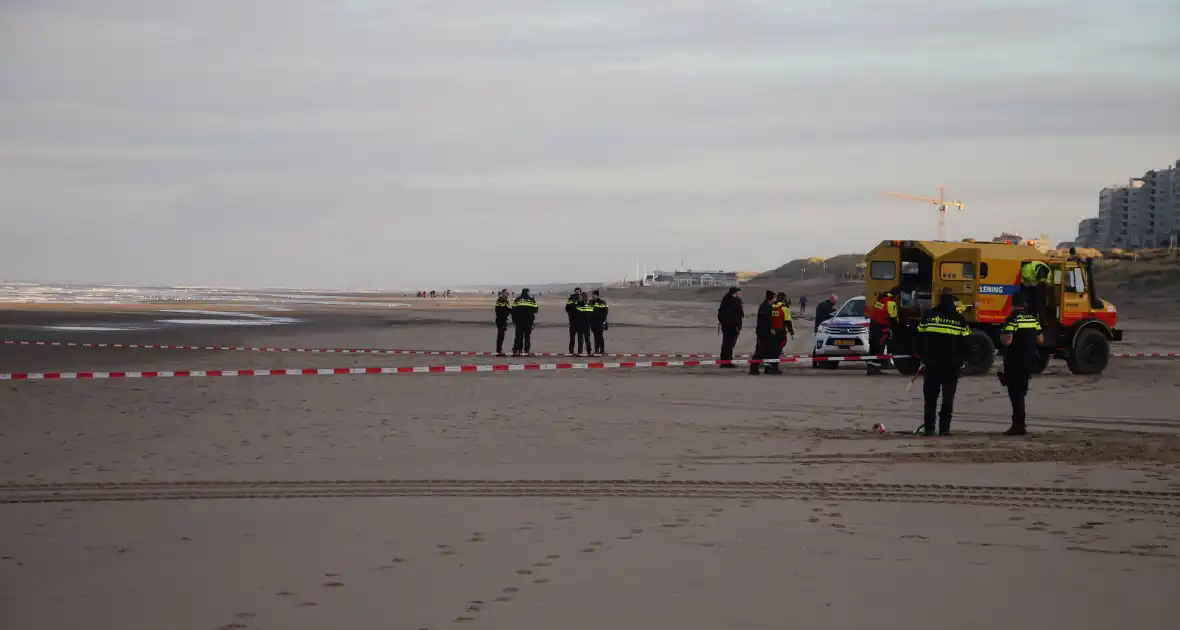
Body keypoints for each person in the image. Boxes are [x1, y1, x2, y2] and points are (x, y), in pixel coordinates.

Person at [915, 293, 971, 436]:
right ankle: (945, 429)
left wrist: (922, 356)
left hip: (931, 364)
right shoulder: (960, 320)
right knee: (948, 398)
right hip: (951, 366)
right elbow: (967, 344)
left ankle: (929, 429)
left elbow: (918, 338)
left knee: (930, 399)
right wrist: (963, 360)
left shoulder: (928, 317)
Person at [999, 293, 1043, 436]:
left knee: (1015, 393)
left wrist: (1002, 337)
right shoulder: (1032, 319)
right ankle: (1020, 424)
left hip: (1015, 360)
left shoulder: (1012, 318)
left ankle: (1018, 425)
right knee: (1022, 391)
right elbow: (1040, 340)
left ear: (1012, 305)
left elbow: (1007, 340)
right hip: (1030, 360)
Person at [866, 286, 900, 375]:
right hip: (881, 327)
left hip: (873, 325)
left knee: (873, 347)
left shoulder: (881, 300)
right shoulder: (890, 303)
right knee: (879, 348)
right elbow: (893, 317)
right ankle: (876, 369)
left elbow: (877, 312)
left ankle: (870, 368)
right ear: (896, 295)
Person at [750, 290, 781, 375]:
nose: (775, 299)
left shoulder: (767, 306)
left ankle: (767, 368)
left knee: (767, 352)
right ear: (771, 298)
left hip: (765, 332)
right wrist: (770, 328)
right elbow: (765, 320)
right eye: (774, 297)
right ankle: (753, 368)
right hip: (763, 333)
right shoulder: (766, 307)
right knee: (760, 351)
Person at [717, 287, 744, 368]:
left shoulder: (725, 300)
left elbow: (720, 314)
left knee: (726, 343)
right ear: (735, 293)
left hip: (726, 326)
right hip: (732, 326)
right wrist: (737, 326)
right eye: (738, 293)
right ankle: (727, 362)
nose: (740, 295)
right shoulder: (735, 301)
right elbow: (739, 315)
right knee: (729, 344)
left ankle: (724, 361)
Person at [511, 289, 539, 357]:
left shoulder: (517, 299)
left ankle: (517, 351)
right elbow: (536, 310)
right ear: (528, 293)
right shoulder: (531, 300)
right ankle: (526, 351)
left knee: (518, 336)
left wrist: (514, 320)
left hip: (519, 321)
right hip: (528, 321)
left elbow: (513, 310)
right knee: (527, 337)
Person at [773, 291, 796, 361]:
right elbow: (788, 322)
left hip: (771, 330)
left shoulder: (771, 307)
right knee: (782, 342)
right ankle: (775, 361)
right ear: (784, 299)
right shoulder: (784, 309)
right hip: (780, 330)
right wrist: (791, 333)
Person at [589, 290, 609, 355]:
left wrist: (604, 321)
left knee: (600, 336)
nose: (592, 296)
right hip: (593, 322)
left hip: (600, 322)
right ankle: (596, 350)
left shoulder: (602, 302)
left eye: (593, 295)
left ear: (597, 295)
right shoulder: (591, 302)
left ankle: (602, 350)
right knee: (595, 336)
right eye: (592, 295)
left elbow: (605, 312)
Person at [565, 287, 584, 354]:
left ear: (580, 292)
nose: (577, 293)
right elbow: (567, 308)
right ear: (575, 292)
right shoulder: (571, 298)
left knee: (580, 338)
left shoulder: (583, 298)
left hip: (581, 321)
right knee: (572, 338)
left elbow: (586, 309)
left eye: (578, 292)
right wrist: (572, 309)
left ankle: (580, 351)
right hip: (572, 321)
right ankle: (571, 351)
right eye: (576, 292)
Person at [494, 289, 512, 357]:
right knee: (501, 336)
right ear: (502, 293)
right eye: (506, 293)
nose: (507, 294)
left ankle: (499, 350)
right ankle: (499, 351)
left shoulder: (505, 300)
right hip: (500, 319)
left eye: (508, 293)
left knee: (501, 335)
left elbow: (507, 309)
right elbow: (505, 309)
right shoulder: (501, 300)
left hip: (503, 319)